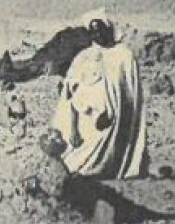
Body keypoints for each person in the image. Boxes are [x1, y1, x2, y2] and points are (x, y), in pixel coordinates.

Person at [49, 16, 148, 179]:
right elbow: (70, 92)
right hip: (85, 120)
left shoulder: (124, 56)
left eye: (100, 30)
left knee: (109, 159)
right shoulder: (84, 57)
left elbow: (130, 94)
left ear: (108, 30)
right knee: (78, 161)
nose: (97, 35)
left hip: (113, 123)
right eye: (93, 31)